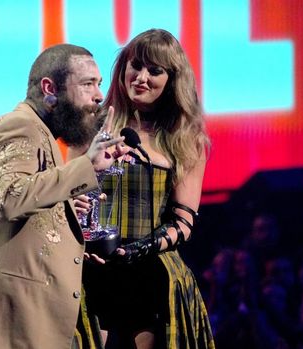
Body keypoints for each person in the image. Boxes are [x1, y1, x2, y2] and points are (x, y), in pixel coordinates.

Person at [0, 43, 126, 349]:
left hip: (29, 322)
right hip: (11, 328)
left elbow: (25, 226)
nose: (99, 96)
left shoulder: (40, 133)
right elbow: (9, 198)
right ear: (49, 89)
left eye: (99, 84)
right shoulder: (20, 127)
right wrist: (86, 166)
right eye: (87, 84)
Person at [79, 28, 215, 349]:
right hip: (92, 272)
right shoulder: (94, 124)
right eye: (136, 66)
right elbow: (70, 194)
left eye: (155, 71)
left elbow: (183, 222)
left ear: (172, 80)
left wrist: (140, 248)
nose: (141, 77)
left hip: (153, 277)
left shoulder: (186, 138)